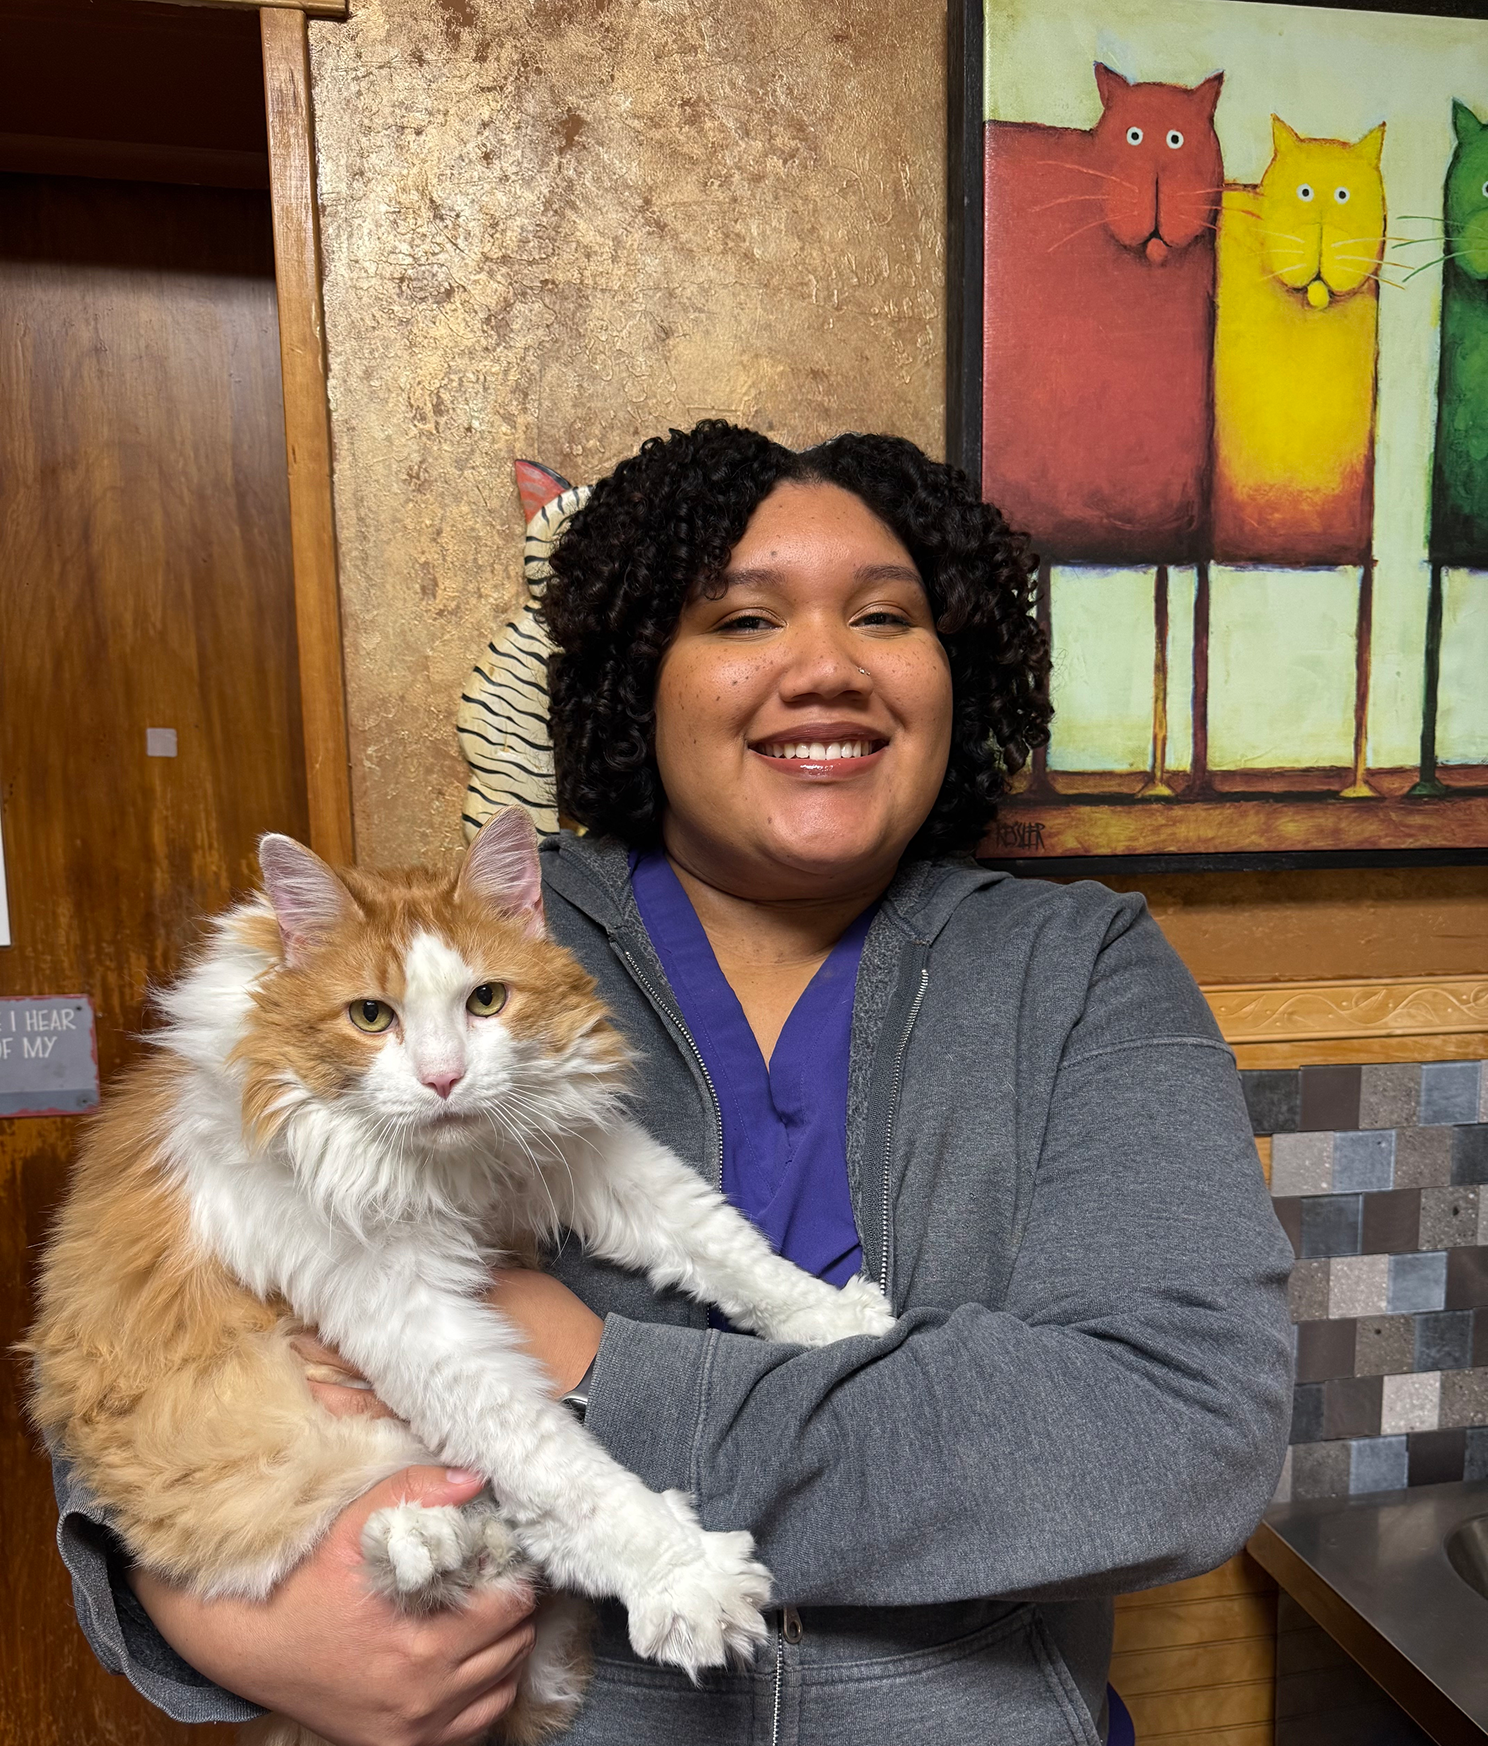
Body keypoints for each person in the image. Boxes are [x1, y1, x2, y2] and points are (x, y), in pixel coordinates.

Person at [50, 421, 1293, 1745]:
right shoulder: (474, 958)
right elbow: (155, 1323)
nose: (825, 666)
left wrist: (592, 1364)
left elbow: (1180, 1434)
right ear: (642, 677)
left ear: (958, 670)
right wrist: (224, 1620)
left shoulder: (1082, 970)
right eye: (745, 618)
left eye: (885, 615)